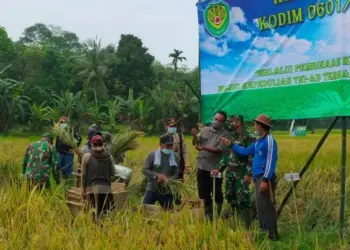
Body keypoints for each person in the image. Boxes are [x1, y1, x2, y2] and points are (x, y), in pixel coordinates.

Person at [221, 114, 278, 240]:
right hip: (258, 178)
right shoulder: (258, 141)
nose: (254, 126)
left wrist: (265, 179)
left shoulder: (269, 140)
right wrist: (231, 145)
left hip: (264, 178)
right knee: (260, 206)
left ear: (261, 126)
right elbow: (245, 151)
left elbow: (270, 161)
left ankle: (272, 234)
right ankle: (264, 231)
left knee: (267, 206)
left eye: (255, 124)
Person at [191, 111, 233, 220]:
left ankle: (218, 213)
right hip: (201, 166)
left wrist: (204, 148)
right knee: (203, 192)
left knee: (217, 192)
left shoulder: (226, 135)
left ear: (223, 122)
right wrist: (195, 136)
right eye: (216, 118)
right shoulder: (205, 130)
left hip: (215, 168)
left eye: (219, 120)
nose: (216, 121)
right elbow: (196, 142)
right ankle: (207, 214)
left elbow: (218, 150)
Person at [218, 115, 255, 229]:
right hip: (230, 172)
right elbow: (228, 154)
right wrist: (219, 168)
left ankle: (246, 227)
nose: (230, 124)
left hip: (241, 172)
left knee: (243, 199)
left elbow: (252, 157)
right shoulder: (232, 136)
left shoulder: (248, 137)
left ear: (238, 122)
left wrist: (249, 174)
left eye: (232, 122)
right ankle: (235, 222)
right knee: (231, 197)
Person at [81, 135, 117, 222]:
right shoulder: (109, 156)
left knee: (94, 215)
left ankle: (95, 233)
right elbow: (113, 173)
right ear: (102, 144)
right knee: (105, 216)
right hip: (107, 191)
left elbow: (84, 175)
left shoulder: (87, 156)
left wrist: (83, 189)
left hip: (92, 190)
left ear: (92, 144)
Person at [142, 134, 180, 210]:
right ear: (161, 145)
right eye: (167, 145)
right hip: (152, 189)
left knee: (169, 215)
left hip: (167, 191)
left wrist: (168, 180)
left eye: (171, 145)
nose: (170, 147)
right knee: (145, 211)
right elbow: (145, 170)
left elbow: (176, 174)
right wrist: (157, 176)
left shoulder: (175, 158)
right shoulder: (152, 156)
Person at [55, 117, 82, 182]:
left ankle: (69, 182)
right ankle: (63, 181)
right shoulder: (59, 132)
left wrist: (74, 147)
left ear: (67, 123)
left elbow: (79, 138)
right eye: (61, 122)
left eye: (63, 122)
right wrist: (57, 151)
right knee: (61, 167)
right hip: (61, 153)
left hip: (68, 153)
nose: (62, 123)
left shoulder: (70, 130)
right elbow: (57, 142)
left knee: (68, 169)